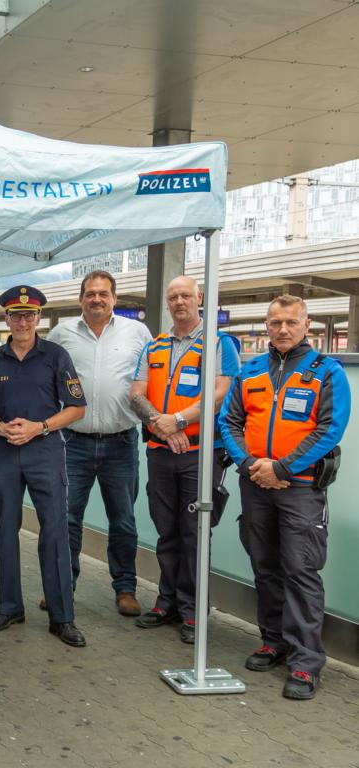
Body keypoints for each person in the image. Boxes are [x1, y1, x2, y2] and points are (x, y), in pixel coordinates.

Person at [220, 295, 350, 700]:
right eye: (275, 322)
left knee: (300, 570)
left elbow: (329, 429)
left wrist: (282, 468)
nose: (282, 329)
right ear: (266, 325)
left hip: (301, 488)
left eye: (290, 322)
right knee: (265, 566)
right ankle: (273, 642)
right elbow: (230, 420)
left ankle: (306, 662)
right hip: (256, 483)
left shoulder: (327, 372)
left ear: (305, 324)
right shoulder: (252, 370)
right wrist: (250, 464)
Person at [129, 275, 240, 643]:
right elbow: (136, 393)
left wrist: (179, 420)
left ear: (199, 299)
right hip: (161, 451)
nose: (179, 302)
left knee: (194, 533)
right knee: (167, 530)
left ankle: (193, 612)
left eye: (185, 296)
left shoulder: (220, 344)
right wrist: (161, 426)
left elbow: (221, 393)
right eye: (172, 296)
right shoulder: (155, 347)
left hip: (200, 454)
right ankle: (167, 602)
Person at [0, 286, 88, 647]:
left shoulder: (56, 356)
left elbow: (76, 408)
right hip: (5, 451)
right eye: (15, 315)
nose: (23, 321)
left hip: (45, 450)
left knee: (55, 532)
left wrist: (39, 427)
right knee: (5, 529)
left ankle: (62, 616)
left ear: (39, 318)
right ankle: (9, 606)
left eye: (29, 315)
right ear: (6, 319)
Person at [46, 270, 152, 617]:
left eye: (103, 294)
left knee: (122, 520)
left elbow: (149, 380)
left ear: (114, 299)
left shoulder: (137, 333)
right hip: (72, 443)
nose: (96, 299)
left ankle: (125, 589)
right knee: (67, 518)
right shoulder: (61, 333)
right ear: (81, 299)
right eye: (90, 293)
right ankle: (64, 586)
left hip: (121, 443)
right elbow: (46, 380)